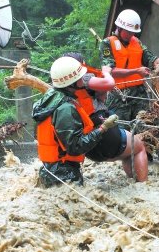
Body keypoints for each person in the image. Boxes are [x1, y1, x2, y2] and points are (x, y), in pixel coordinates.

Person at [32, 56, 119, 187]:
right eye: (79, 77)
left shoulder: (51, 99)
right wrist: (103, 128)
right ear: (71, 82)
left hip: (51, 170)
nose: (82, 79)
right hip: (64, 173)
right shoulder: (65, 109)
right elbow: (75, 147)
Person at [63, 52, 148, 181]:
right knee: (139, 146)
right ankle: (143, 186)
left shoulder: (59, 90)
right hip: (106, 138)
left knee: (129, 146)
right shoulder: (84, 79)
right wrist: (106, 72)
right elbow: (109, 84)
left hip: (87, 147)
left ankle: (133, 180)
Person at [99, 9, 159, 122]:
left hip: (139, 95)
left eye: (133, 32)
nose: (132, 34)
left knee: (145, 127)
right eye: (129, 32)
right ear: (120, 28)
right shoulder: (107, 44)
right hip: (118, 97)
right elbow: (110, 71)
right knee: (123, 131)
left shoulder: (136, 42)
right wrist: (136, 71)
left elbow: (152, 60)